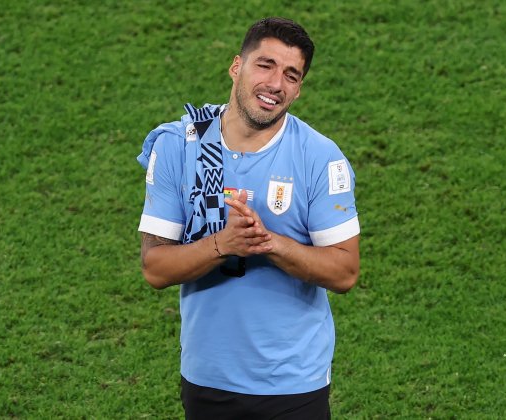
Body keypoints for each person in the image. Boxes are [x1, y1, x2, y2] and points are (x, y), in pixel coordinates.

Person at [136, 17, 360, 419]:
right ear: (236, 66)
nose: (276, 84)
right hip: (207, 379)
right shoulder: (177, 146)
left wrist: (269, 243)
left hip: (294, 384)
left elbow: (344, 272)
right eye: (265, 65)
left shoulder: (321, 158)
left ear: (300, 88)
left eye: (291, 75)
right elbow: (156, 269)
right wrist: (224, 244)